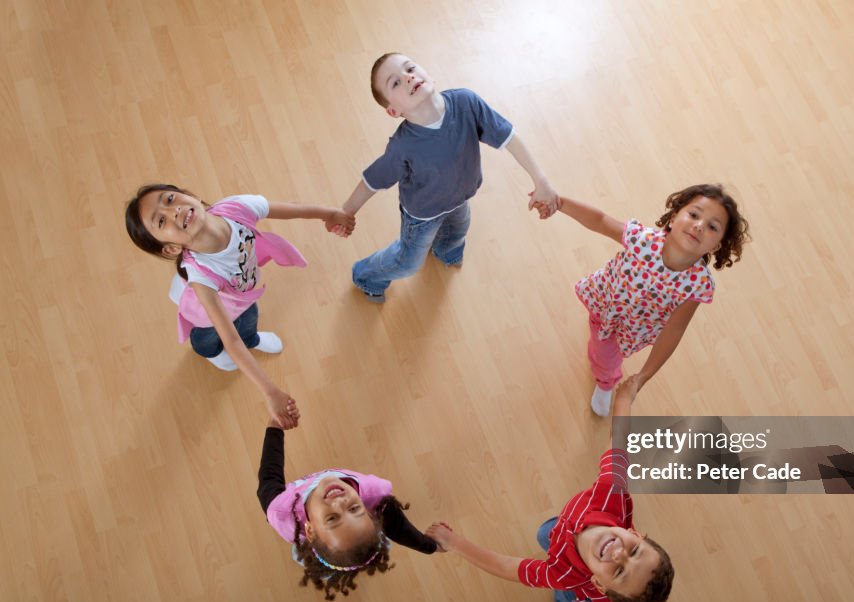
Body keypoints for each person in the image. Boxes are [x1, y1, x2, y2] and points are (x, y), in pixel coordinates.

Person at [426, 375, 673, 602]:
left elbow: (507, 566)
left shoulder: (562, 575)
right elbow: (620, 444)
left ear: (600, 585)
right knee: (546, 532)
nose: (619, 554)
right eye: (634, 551)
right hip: (566, 527)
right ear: (635, 534)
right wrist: (624, 398)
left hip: (579, 593)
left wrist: (455, 543)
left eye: (619, 572)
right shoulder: (612, 494)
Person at [125, 184, 353, 427]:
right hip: (206, 310)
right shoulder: (202, 280)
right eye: (161, 221)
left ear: (190, 195)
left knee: (249, 318)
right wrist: (270, 391)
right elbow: (231, 340)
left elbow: (293, 208)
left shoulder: (236, 208)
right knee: (206, 336)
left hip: (241, 296)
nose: (174, 211)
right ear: (170, 248)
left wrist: (328, 214)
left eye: (170, 199)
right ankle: (210, 353)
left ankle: (252, 339)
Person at [338, 52, 558, 302]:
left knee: (457, 231)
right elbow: (372, 181)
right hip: (423, 215)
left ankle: (446, 250)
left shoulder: (466, 103)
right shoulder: (402, 147)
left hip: (460, 197)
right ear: (393, 111)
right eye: (395, 82)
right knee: (408, 262)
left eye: (410, 68)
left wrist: (542, 181)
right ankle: (366, 275)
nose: (408, 77)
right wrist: (346, 211)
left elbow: (509, 137)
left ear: (427, 73)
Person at [555, 184, 750, 416]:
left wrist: (643, 377)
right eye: (694, 214)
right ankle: (604, 361)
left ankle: (606, 381)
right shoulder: (642, 239)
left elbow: (674, 331)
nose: (699, 225)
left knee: (604, 357)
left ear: (716, 245)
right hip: (604, 299)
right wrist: (559, 202)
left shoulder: (698, 286)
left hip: (631, 329)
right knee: (597, 329)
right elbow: (600, 221)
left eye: (712, 227)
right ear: (675, 216)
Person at [257, 418, 442, 600]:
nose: (340, 502)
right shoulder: (375, 494)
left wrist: (275, 424)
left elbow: (269, 475)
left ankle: (330, 566)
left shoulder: (281, 511)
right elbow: (400, 529)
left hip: (306, 538)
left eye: (332, 519)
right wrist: (431, 546)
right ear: (372, 514)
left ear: (310, 530)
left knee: (305, 555)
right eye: (354, 509)